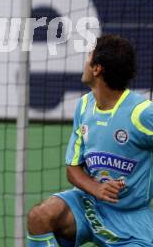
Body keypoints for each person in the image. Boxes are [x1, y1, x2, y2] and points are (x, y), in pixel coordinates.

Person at [26, 34, 153, 246]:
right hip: (88, 204)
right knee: (39, 217)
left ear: (97, 69)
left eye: (88, 56)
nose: (85, 62)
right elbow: (73, 169)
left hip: (131, 220)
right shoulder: (84, 106)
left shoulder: (142, 113)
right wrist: (97, 189)